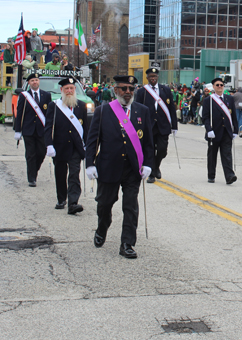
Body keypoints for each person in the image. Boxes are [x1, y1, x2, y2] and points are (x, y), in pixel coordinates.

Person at [85, 75, 154, 259]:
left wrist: (148, 164)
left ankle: (127, 243)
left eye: (131, 89)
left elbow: (148, 142)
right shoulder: (103, 111)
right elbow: (93, 140)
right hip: (108, 166)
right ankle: (102, 227)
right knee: (105, 204)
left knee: (130, 207)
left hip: (132, 168)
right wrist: (89, 164)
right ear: (116, 90)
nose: (128, 92)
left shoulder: (143, 111)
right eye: (124, 89)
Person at [44, 77, 88, 214]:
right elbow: (48, 127)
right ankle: (61, 198)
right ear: (61, 90)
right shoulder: (54, 106)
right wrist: (49, 145)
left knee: (74, 174)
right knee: (61, 173)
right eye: (66, 89)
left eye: (71, 88)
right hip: (59, 146)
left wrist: (86, 145)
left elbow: (86, 127)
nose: (69, 91)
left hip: (76, 147)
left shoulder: (81, 105)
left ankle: (73, 203)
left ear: (75, 90)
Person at [135, 68, 178, 183]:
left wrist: (174, 125)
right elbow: (137, 109)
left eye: (154, 76)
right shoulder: (142, 92)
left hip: (163, 125)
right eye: (150, 76)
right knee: (149, 150)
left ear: (157, 77)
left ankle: (156, 166)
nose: (153, 78)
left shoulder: (166, 90)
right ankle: (152, 173)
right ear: (147, 78)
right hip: (148, 126)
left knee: (162, 150)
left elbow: (172, 108)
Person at [14, 73, 51, 187]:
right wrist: (17, 130)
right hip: (28, 130)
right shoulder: (24, 96)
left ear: (39, 82)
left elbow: (48, 114)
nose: (35, 82)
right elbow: (19, 113)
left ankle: (34, 171)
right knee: (30, 154)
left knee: (41, 153)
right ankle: (32, 178)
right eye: (32, 81)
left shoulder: (46, 95)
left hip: (42, 130)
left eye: (36, 80)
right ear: (29, 83)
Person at [201, 78, 238, 184]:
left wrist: (235, 130)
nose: (219, 87)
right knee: (212, 155)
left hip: (226, 131)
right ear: (213, 86)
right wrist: (209, 130)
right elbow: (205, 117)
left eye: (221, 85)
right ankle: (211, 175)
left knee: (227, 154)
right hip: (214, 131)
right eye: (217, 85)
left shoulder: (229, 99)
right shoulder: (209, 100)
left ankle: (229, 176)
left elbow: (233, 115)